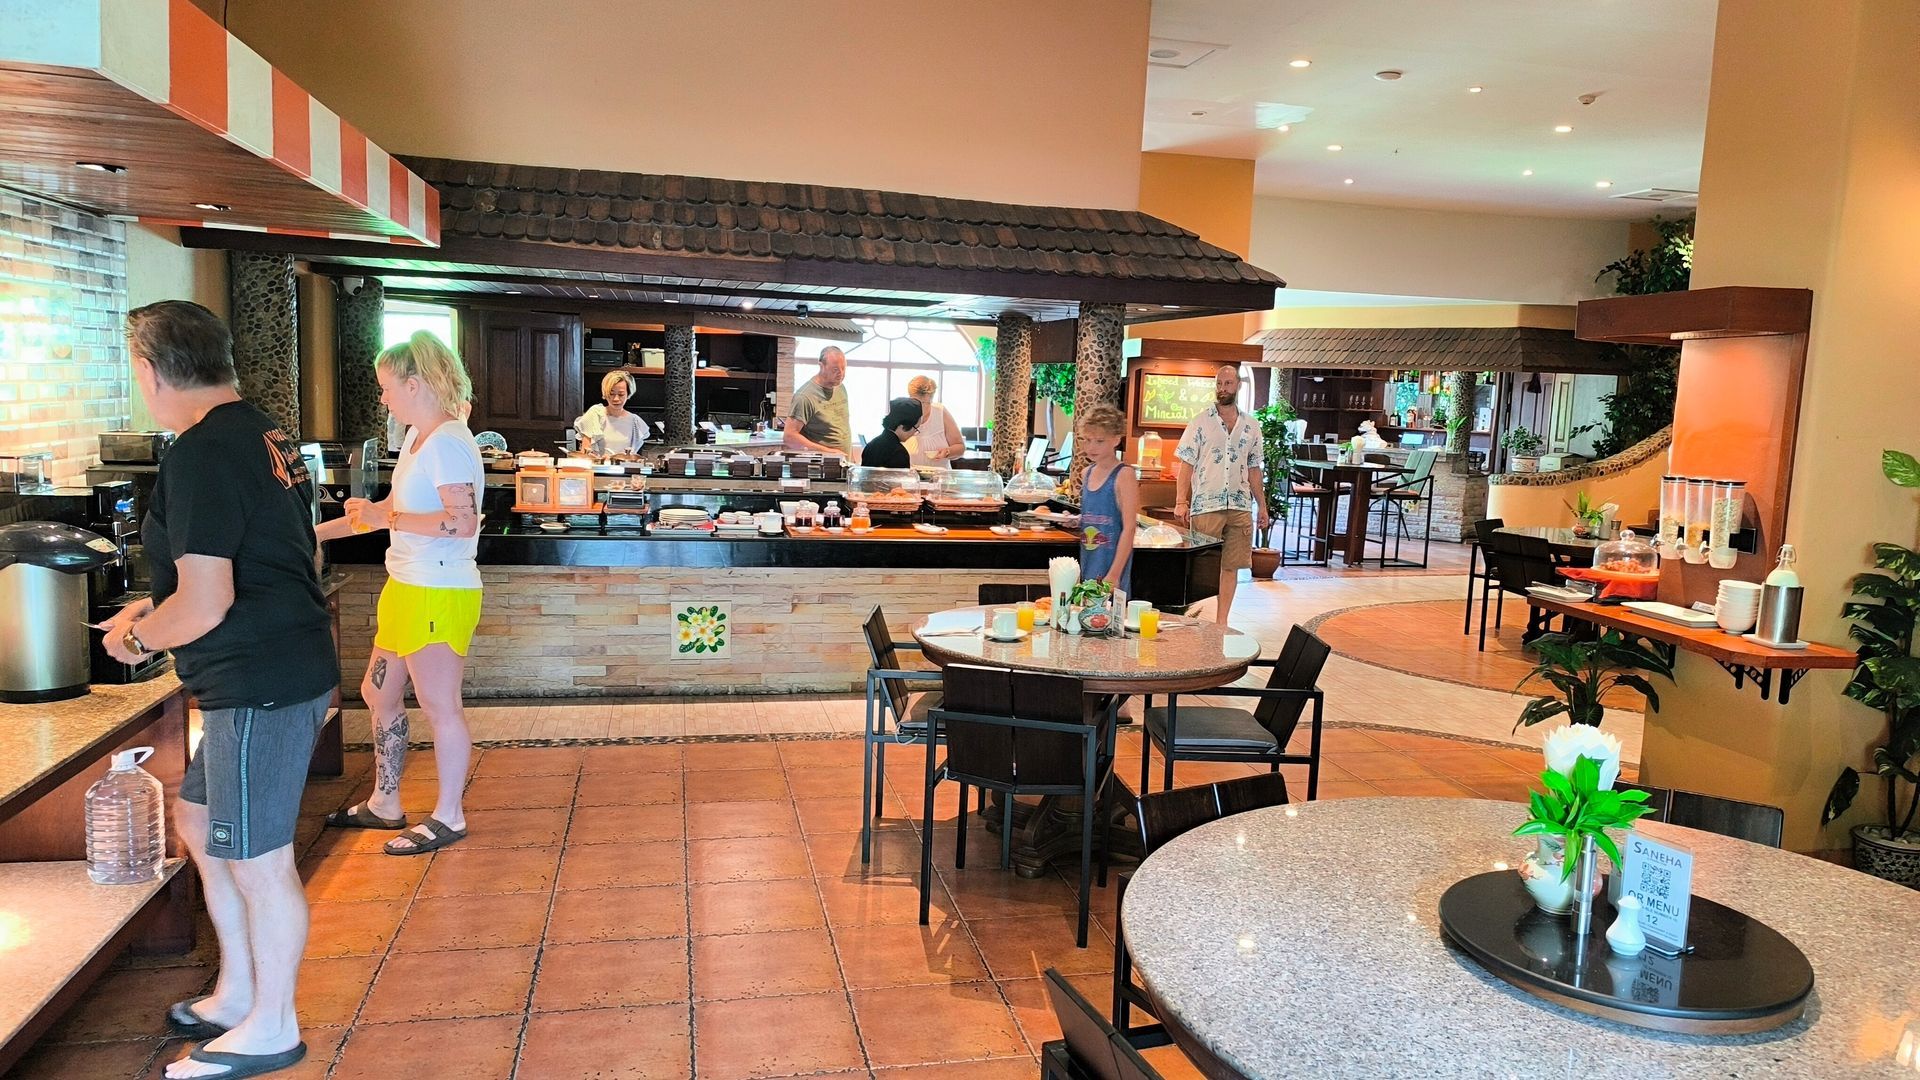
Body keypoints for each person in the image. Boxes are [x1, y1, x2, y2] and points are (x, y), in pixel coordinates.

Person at [100, 301, 337, 1080]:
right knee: (200, 819)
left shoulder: (202, 453)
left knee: (260, 858)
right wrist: (152, 608)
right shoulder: (262, 430)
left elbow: (207, 603)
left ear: (149, 369)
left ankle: (273, 1024)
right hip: (278, 664)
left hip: (257, 681)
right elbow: (256, 558)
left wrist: (136, 636)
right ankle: (239, 991)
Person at [315, 332, 484, 857]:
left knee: (440, 705)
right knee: (377, 692)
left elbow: (463, 522)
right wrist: (312, 536)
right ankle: (386, 802)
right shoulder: (417, 440)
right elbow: (386, 508)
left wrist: (384, 515)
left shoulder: (449, 442)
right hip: (407, 586)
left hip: (438, 590)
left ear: (415, 384)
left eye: (387, 388)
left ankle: (449, 816)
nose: (383, 398)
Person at [1172, 365, 1270, 626]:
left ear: (1238, 386)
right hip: (1206, 504)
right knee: (1201, 566)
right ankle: (1191, 619)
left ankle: (1222, 621)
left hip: (1239, 505)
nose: (1222, 389)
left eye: (1227, 384)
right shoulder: (1200, 422)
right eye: (1218, 384)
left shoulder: (1251, 426)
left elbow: (1254, 468)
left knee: (1231, 566)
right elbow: (1186, 464)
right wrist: (1181, 501)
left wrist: (1262, 506)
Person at [1074, 404, 1138, 596]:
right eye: (1087, 440)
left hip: (1111, 561)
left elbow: (1129, 528)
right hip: (1088, 558)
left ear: (1116, 439)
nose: (1091, 447)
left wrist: (1115, 573)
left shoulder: (1124, 475)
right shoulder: (1086, 473)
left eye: (1099, 441)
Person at [784, 346, 853, 458]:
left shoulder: (840, 387)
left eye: (843, 368)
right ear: (821, 366)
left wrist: (851, 457)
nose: (841, 374)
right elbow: (789, 437)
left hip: (845, 462)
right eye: (835, 369)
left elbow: (842, 426)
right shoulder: (805, 396)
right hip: (822, 467)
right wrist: (828, 452)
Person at [574, 370, 647, 454]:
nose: (616, 399)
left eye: (621, 394)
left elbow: (633, 456)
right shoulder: (595, 414)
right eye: (611, 394)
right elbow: (585, 452)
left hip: (624, 466)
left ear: (628, 394)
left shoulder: (635, 421)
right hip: (598, 466)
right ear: (605, 393)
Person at [904, 375, 966, 468]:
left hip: (940, 479)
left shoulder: (940, 412)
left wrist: (947, 452)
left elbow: (960, 447)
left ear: (931, 399)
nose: (921, 407)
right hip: (910, 479)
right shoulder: (903, 413)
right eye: (915, 403)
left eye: (925, 403)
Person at [860, 397, 923, 468]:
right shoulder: (899, 453)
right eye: (915, 428)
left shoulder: (871, 445)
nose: (915, 433)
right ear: (903, 426)